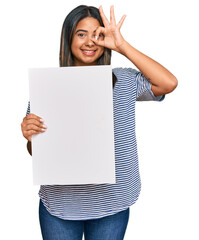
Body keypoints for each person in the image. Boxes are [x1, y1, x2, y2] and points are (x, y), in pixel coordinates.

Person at [21, 5, 177, 240]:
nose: (90, 42)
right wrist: (30, 137)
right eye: (81, 34)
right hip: (61, 204)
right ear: (68, 38)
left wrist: (122, 46)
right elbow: (37, 151)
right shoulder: (48, 86)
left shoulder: (123, 80)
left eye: (97, 34)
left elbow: (168, 83)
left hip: (112, 202)